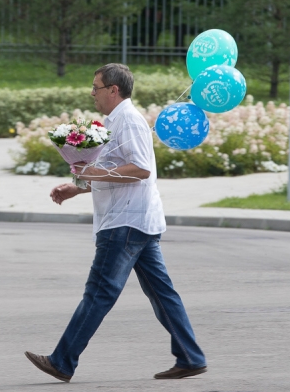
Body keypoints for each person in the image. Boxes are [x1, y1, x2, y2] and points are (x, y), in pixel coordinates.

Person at [24, 63, 207, 383]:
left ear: (114, 90)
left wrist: (93, 174)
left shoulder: (129, 121)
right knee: (162, 294)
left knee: (98, 292)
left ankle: (62, 361)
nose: (92, 93)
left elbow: (141, 169)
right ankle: (190, 357)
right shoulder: (114, 122)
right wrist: (77, 187)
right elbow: (113, 169)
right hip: (136, 220)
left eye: (96, 87)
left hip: (125, 221)